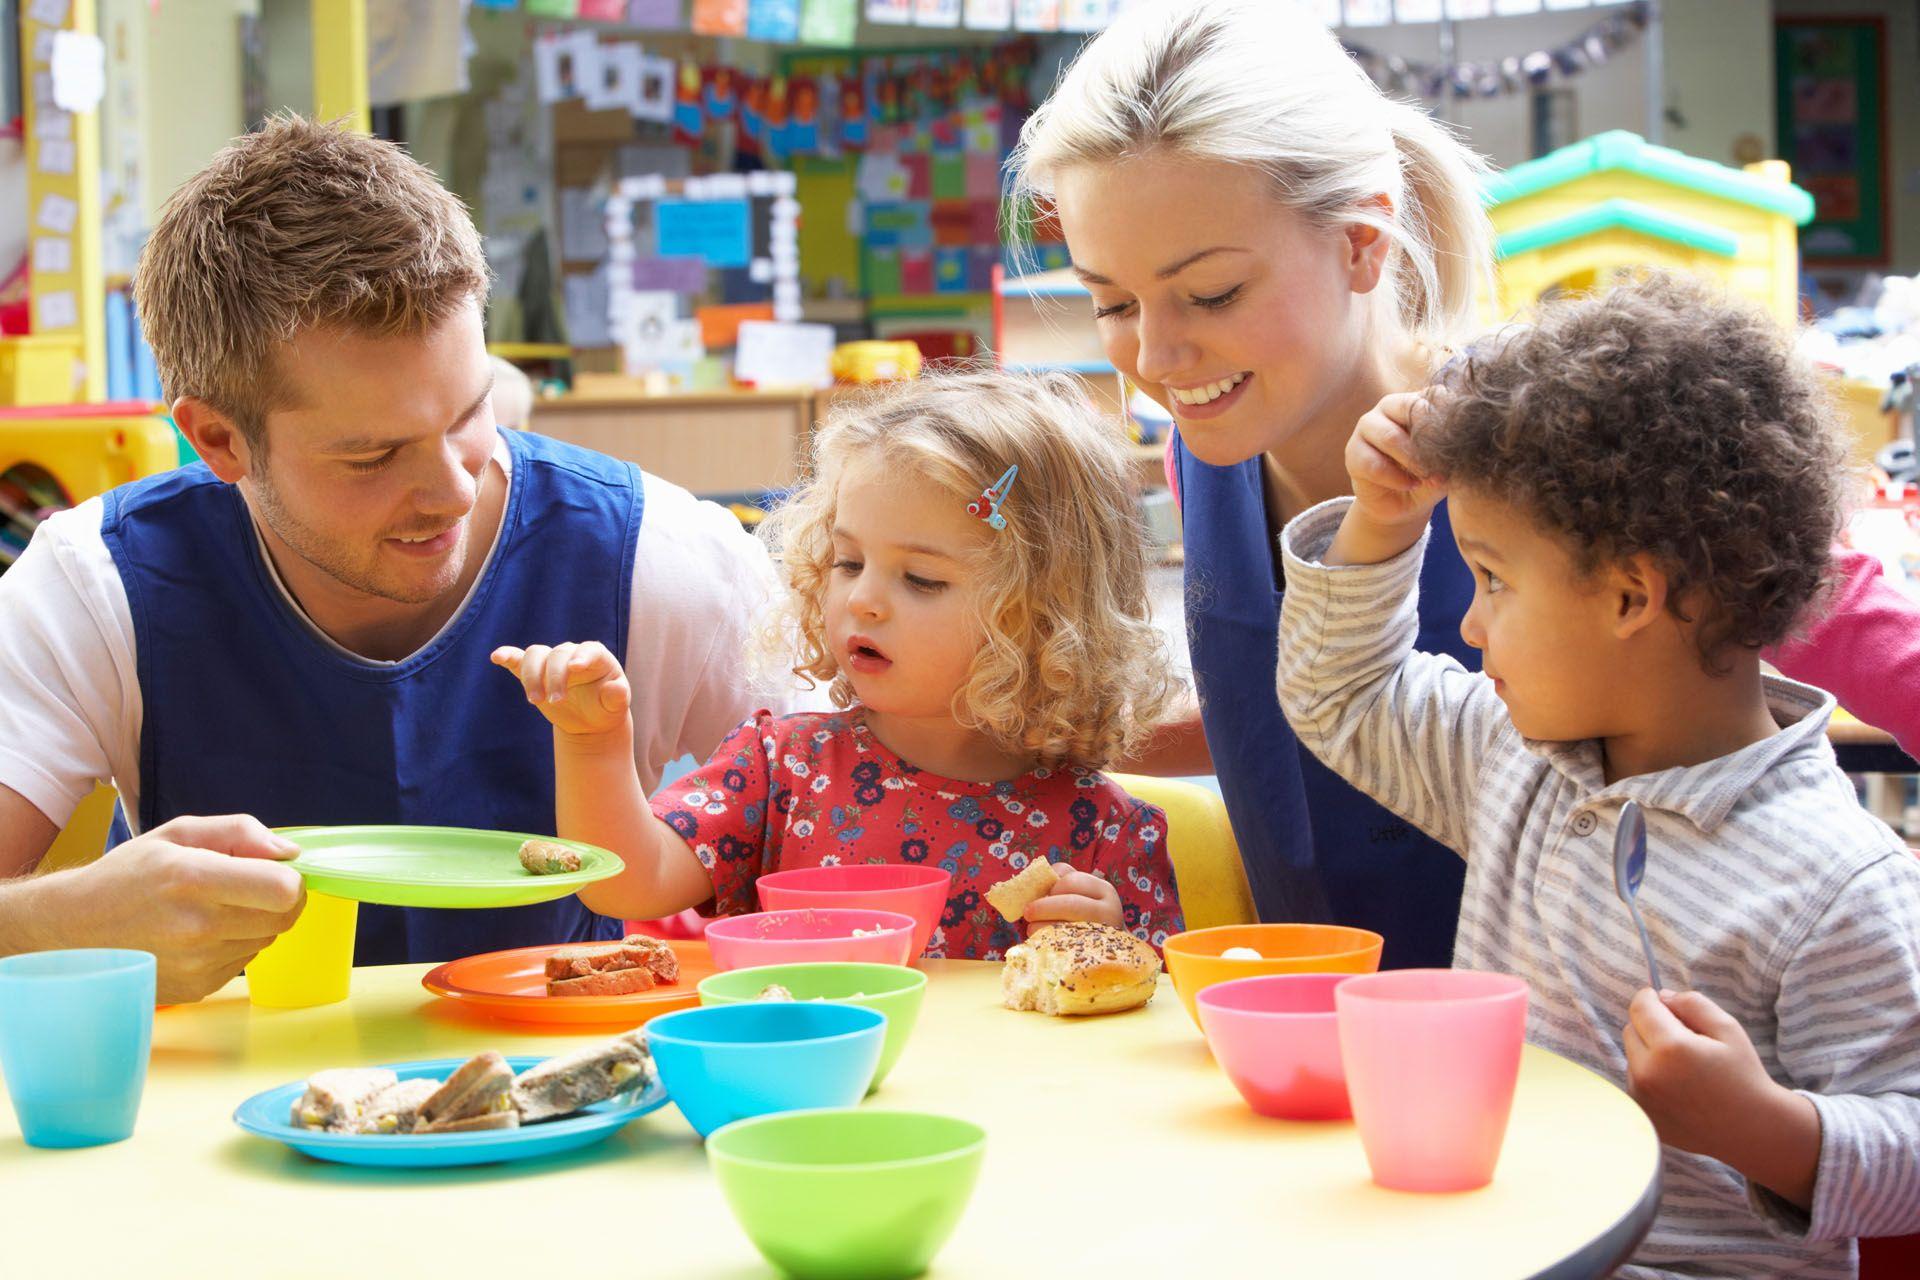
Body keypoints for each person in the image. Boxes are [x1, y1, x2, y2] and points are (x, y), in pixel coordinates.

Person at [1010, 0, 1920, 967]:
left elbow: (1853, 624)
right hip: (1313, 1053)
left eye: (1213, 293)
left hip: (1575, 1071)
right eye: (1109, 300)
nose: (1155, 354)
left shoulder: (1557, 436)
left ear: (1362, 244)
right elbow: (1295, 717)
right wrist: (1027, 733)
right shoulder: (1209, 443)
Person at [0, 116, 782, 1001]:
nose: (451, 489)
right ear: (218, 440)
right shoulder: (96, 585)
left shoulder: (660, 555)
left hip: (568, 1095)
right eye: (372, 457)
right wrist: (61, 925)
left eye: (468, 416)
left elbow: (859, 839)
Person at [1276, 274, 1920, 1278]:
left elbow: (1911, 1150)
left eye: (1492, 578)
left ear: (1630, 594)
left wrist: (1765, 1127)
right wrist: (1380, 524)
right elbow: (1340, 695)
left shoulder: (1836, 881)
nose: (1472, 623)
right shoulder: (1512, 756)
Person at [494, 371, 1185, 959]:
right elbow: (626, 884)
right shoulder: (780, 768)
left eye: (921, 579)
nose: (862, 599)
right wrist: (592, 745)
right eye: (847, 561)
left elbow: (1147, 1031)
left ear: (1046, 621)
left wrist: (1110, 941)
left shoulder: (1109, 831)